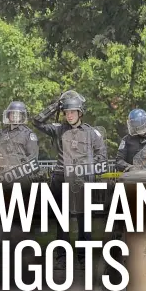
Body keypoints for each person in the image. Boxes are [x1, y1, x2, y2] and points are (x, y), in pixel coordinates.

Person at [32, 91, 107, 270]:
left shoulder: (91, 133)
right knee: (62, 220)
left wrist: (87, 167)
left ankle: (83, 259)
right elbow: (37, 121)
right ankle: (62, 258)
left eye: (72, 111)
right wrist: (55, 106)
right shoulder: (58, 129)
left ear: (80, 112)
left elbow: (102, 155)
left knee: (84, 221)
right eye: (66, 112)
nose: (69, 115)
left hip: (82, 180)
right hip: (61, 179)